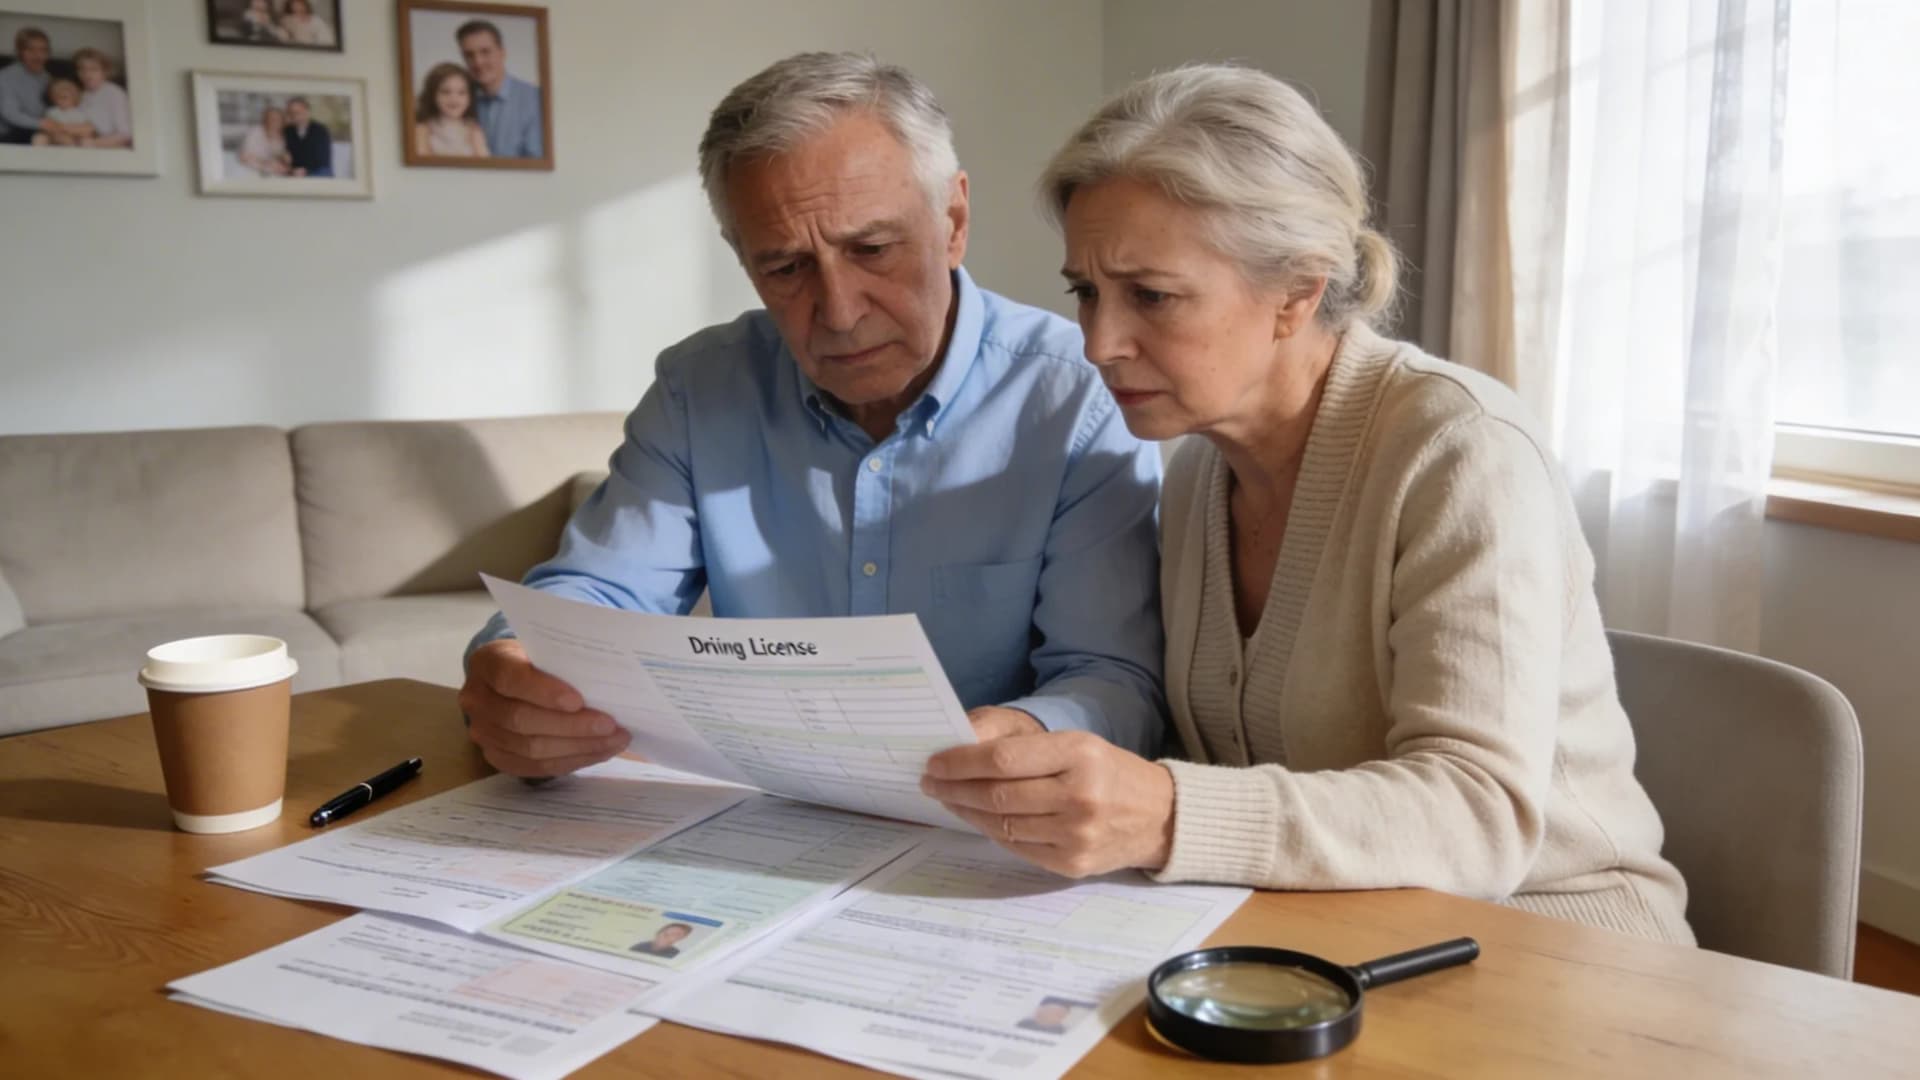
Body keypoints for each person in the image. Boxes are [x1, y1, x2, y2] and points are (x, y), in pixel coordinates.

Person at [919, 64, 1695, 947]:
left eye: (1152, 296)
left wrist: (1168, 813)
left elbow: (1481, 816)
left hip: (1555, 943)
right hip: (1317, 934)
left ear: (1298, 292)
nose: (1099, 341)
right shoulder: (1196, 474)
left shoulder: (1461, 449)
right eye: (1086, 292)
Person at [460, 52, 1163, 782]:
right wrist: (513, 664)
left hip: (984, 826)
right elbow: (592, 594)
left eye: (872, 249)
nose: (840, 312)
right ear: (744, 261)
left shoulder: (1079, 398)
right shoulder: (699, 390)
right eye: (787, 268)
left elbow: (1114, 682)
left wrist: (1017, 732)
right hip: (764, 818)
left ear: (953, 221)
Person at [457, 19, 541, 158]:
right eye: (469, 55)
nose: (478, 62)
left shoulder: (535, 98)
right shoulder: (456, 100)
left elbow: (538, 164)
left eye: (485, 52)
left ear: (502, 53)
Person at [413, 62, 488, 158]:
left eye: (461, 92)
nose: (454, 99)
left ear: (470, 97)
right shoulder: (422, 130)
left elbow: (484, 165)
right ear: (432, 95)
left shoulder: (474, 130)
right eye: (445, 92)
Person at [0, 26, 51, 145]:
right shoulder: (5, 76)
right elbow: (9, 113)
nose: (38, 56)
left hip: (36, 131)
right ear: (20, 52)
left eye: (43, 50)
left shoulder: (48, 78)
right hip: (7, 134)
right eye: (31, 50)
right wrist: (42, 124)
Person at [72, 48, 131, 149]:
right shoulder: (79, 94)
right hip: (85, 143)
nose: (87, 74)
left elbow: (126, 134)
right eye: (82, 69)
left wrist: (94, 143)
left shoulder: (115, 93)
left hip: (111, 147)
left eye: (93, 69)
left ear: (105, 71)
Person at [28, 76, 89, 147]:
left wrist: (69, 131)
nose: (62, 101)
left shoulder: (79, 113)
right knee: (39, 138)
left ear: (74, 98)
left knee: (69, 140)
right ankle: (38, 156)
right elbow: (47, 126)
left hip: (72, 137)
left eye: (65, 97)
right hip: (53, 136)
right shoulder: (52, 111)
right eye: (58, 97)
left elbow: (84, 130)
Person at [283, 96, 332, 177]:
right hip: (295, 172)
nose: (294, 116)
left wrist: (306, 171)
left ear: (307, 111)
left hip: (318, 170)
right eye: (291, 113)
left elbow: (323, 159)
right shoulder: (288, 131)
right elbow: (288, 155)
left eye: (298, 112)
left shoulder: (320, 130)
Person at [237, 105, 290, 176]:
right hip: (251, 171)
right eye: (271, 118)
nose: (274, 121)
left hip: (274, 173)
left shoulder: (285, 136)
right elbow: (244, 157)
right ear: (265, 119)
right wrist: (267, 164)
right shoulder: (255, 132)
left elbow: (284, 158)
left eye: (278, 119)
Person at [629, 922, 693, 959]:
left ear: (680, 939)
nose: (669, 936)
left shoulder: (675, 954)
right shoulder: (639, 946)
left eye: (676, 935)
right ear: (658, 933)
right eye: (666, 934)